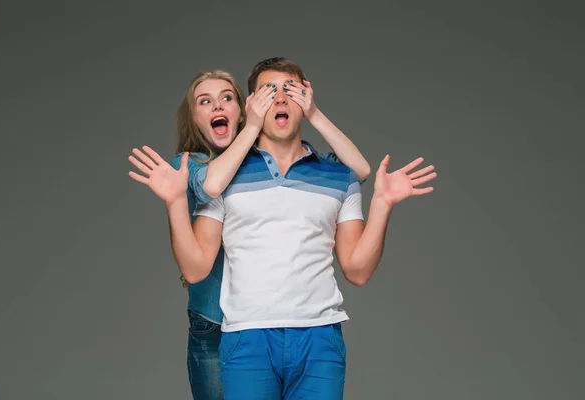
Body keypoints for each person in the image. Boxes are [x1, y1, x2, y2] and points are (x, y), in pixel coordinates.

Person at [155, 57, 437, 399]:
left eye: (291, 89)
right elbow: (196, 267)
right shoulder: (223, 175)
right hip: (246, 335)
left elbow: (358, 271)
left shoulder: (338, 175)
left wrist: (382, 204)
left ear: (307, 98)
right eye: (268, 91)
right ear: (253, 106)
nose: (281, 98)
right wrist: (174, 202)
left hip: (319, 338)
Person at [128, 68, 372, 399]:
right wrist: (256, 126)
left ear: (242, 109)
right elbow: (212, 188)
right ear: (194, 118)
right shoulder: (197, 167)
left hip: (276, 325)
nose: (217, 107)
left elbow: (357, 172)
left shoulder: (263, 163)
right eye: (205, 101)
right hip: (218, 320)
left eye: (227, 98)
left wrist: (310, 112)